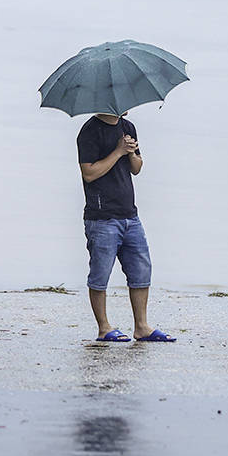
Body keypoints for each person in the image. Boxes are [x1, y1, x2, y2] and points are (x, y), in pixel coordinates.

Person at [77, 111, 175, 343]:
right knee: (100, 275)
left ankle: (142, 327)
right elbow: (89, 173)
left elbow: (137, 168)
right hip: (101, 217)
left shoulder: (128, 126)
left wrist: (130, 153)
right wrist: (118, 151)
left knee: (141, 270)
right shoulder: (89, 131)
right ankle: (104, 328)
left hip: (130, 214)